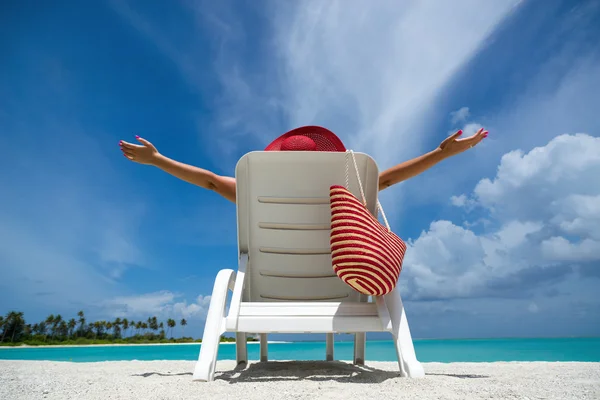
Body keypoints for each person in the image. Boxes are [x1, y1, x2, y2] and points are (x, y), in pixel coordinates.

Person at [118, 125, 488, 203]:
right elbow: (388, 181)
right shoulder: (348, 189)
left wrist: (158, 160)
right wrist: (441, 154)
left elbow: (212, 182)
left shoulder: (259, 193)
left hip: (274, 278)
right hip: (340, 278)